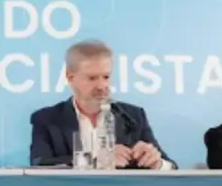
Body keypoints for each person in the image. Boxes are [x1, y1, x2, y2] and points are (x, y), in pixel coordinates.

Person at [29, 39, 173, 169]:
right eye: (92, 78)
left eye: (106, 77)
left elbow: (171, 166)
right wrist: (96, 159)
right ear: (70, 77)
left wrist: (157, 163)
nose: (102, 86)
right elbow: (40, 163)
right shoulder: (46, 119)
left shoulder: (133, 116)